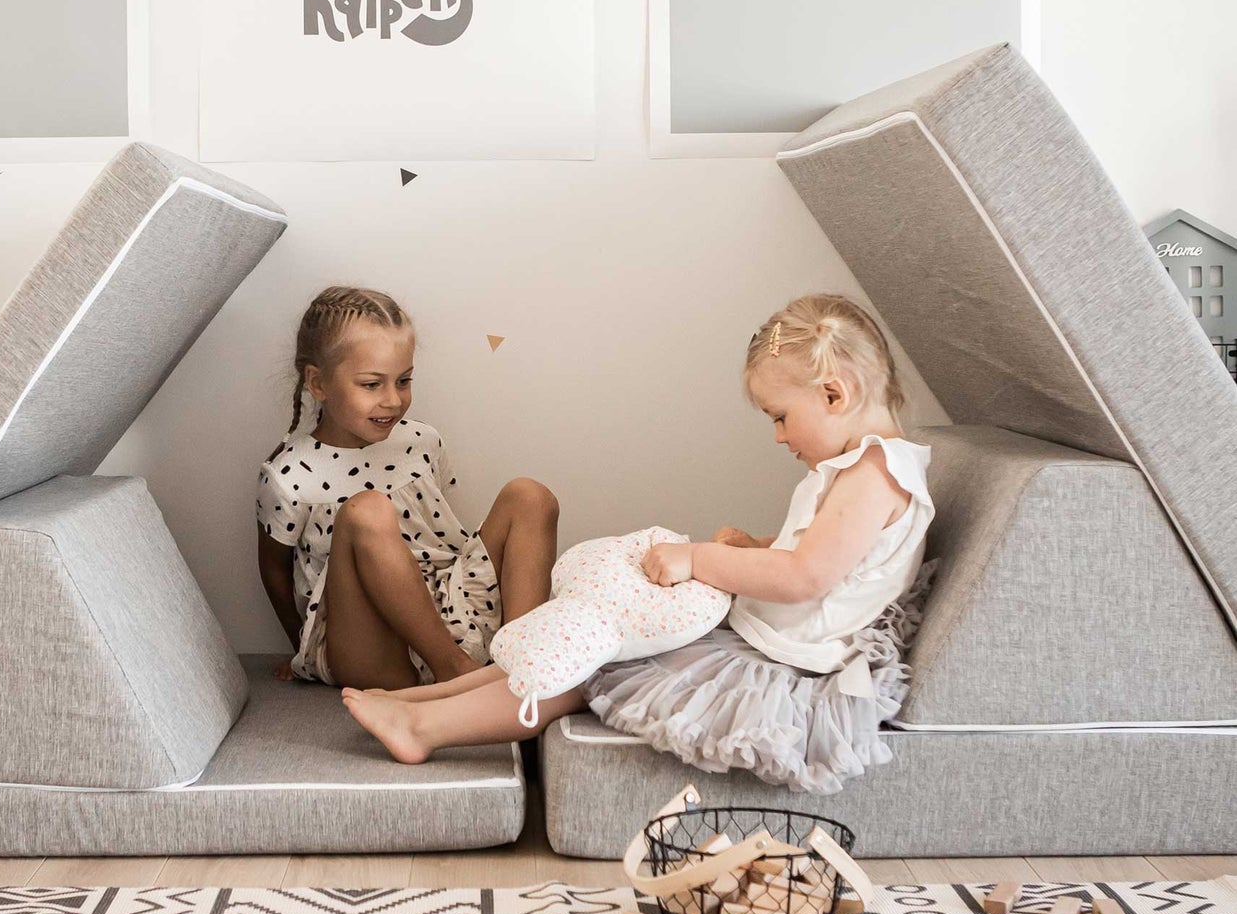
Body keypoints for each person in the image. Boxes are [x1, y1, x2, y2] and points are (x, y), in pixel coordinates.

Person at [344, 292, 933, 764]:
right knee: (576, 631)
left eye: (781, 417)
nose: (779, 436)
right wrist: (756, 547)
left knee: (589, 658)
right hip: (770, 633)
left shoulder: (873, 474)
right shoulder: (862, 468)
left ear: (834, 393)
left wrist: (699, 559)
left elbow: (805, 577)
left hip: (785, 660)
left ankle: (425, 727)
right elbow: (822, 560)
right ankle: (420, 698)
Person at [257, 285, 559, 689]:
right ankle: (453, 670)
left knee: (530, 495)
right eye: (371, 384)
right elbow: (274, 570)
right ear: (318, 383)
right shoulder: (290, 473)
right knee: (367, 510)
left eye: (404, 380)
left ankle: (522, 665)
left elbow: (436, 538)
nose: (393, 400)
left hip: (446, 607)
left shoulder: (421, 441)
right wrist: (299, 652)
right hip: (369, 642)